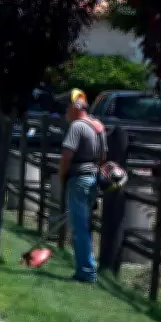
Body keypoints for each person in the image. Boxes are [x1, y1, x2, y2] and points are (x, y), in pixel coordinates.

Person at [59, 88, 107, 284]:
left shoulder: (77, 127)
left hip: (78, 179)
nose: (65, 111)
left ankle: (86, 272)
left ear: (75, 106)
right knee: (85, 226)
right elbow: (103, 156)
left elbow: (66, 157)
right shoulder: (98, 126)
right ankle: (86, 267)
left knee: (79, 229)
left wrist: (62, 176)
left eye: (67, 106)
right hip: (93, 178)